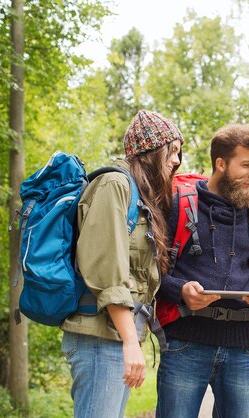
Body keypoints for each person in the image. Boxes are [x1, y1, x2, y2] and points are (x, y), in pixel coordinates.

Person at [60, 110, 184, 418]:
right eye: (172, 151)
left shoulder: (138, 195)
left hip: (112, 337)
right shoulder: (114, 185)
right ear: (151, 151)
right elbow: (105, 269)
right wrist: (130, 340)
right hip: (100, 339)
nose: (177, 161)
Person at [155, 124, 249, 418]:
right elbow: (150, 272)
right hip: (185, 343)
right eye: (245, 165)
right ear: (221, 164)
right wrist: (179, 291)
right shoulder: (177, 205)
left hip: (240, 348)